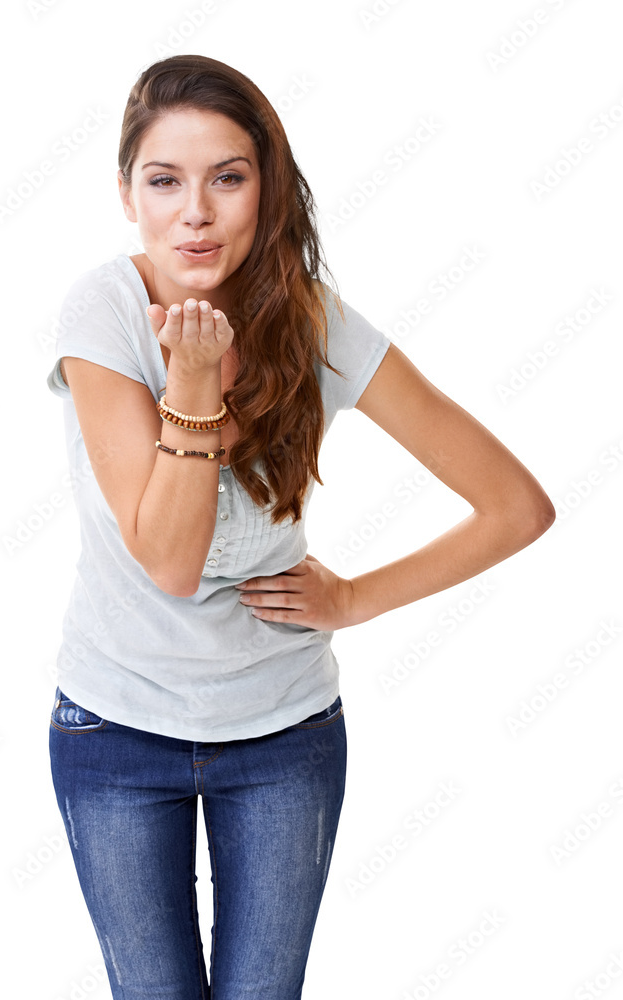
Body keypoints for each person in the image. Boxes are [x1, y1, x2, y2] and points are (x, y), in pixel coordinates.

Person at [46, 53, 555, 999]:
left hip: (282, 734)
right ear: (127, 195)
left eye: (227, 178)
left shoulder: (313, 323)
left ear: (265, 188)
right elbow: (166, 558)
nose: (193, 211)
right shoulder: (103, 312)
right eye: (164, 181)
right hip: (113, 728)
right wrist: (194, 384)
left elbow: (515, 506)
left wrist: (354, 598)